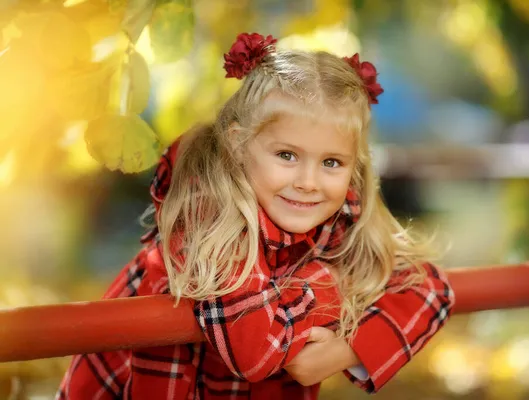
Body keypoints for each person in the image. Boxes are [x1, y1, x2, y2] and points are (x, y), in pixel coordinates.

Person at [56, 32, 455, 400]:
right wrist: (332, 284)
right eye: (287, 155)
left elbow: (433, 288)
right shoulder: (209, 216)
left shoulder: (341, 214)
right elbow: (256, 354)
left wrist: (349, 349)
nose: (308, 182)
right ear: (238, 144)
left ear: (354, 165)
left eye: (331, 162)